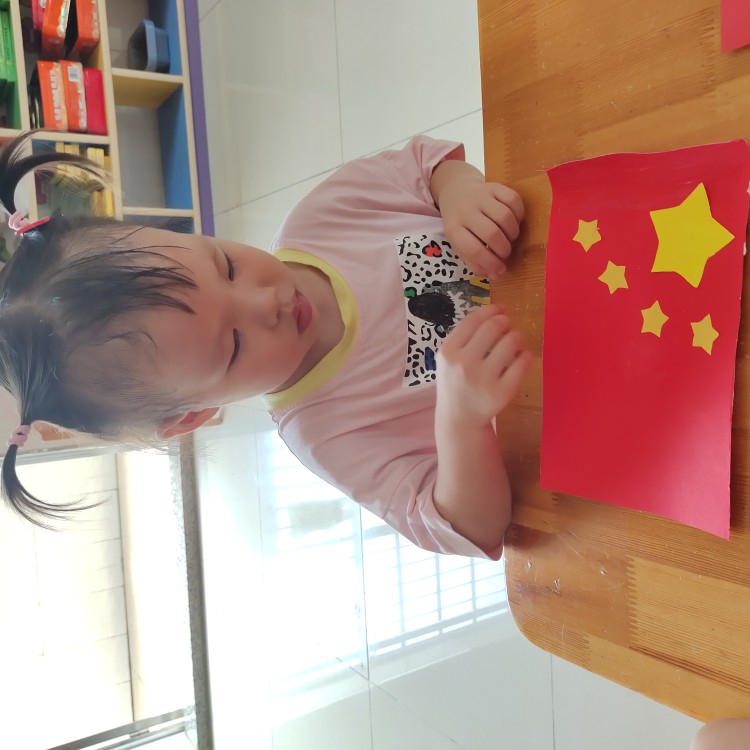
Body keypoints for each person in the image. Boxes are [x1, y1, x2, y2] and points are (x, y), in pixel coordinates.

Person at [0, 131, 530, 557]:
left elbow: (424, 166)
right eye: (232, 345)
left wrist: (459, 194)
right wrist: (461, 422)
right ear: (194, 415)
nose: (265, 303)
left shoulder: (326, 216)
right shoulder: (328, 434)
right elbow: (474, 527)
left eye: (226, 266)